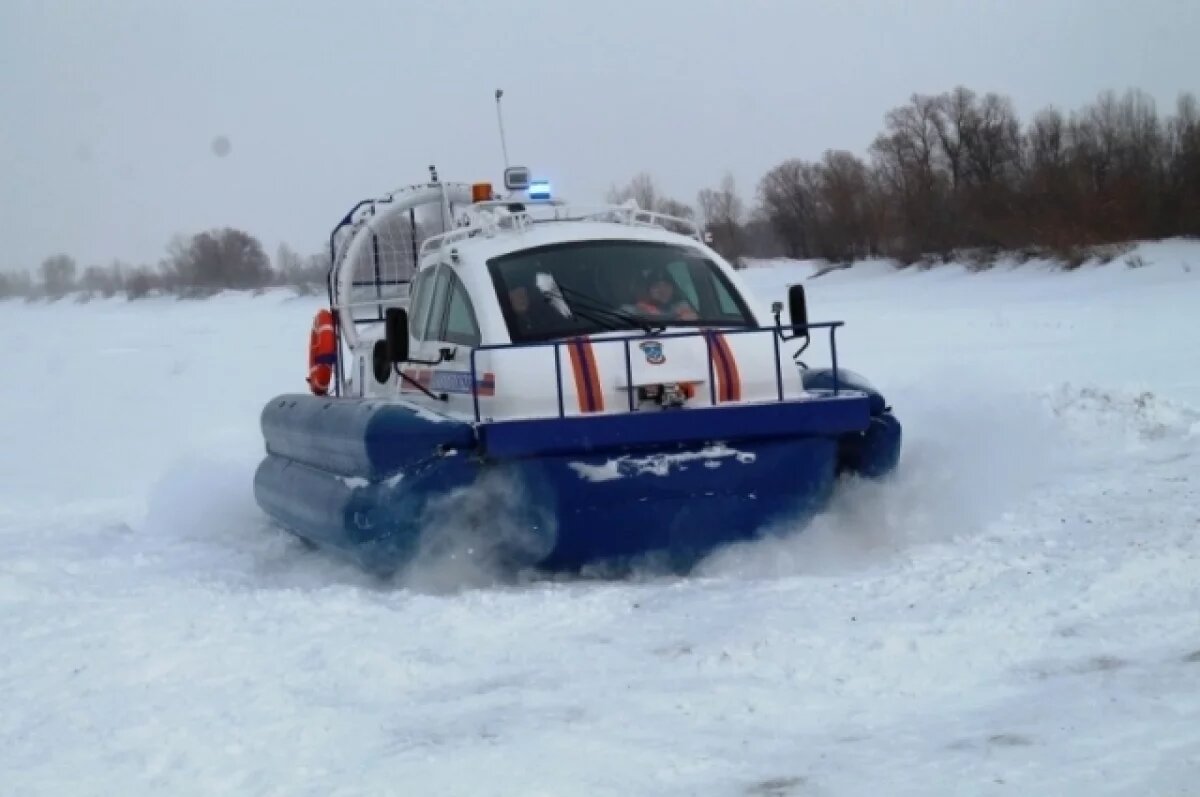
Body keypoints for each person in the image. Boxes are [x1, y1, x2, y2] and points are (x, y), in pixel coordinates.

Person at [634, 268, 698, 320]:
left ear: (673, 288)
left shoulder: (682, 306)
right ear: (648, 291)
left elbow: (698, 326)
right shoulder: (635, 311)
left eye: (666, 286)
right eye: (656, 286)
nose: (662, 291)